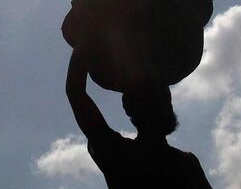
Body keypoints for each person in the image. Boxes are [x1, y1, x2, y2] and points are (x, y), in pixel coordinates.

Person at [66, 49, 213, 189]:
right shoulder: (186, 165)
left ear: (128, 107)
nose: (163, 103)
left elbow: (75, 91)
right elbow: (75, 92)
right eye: (157, 98)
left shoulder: (118, 153)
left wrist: (84, 36)